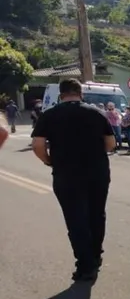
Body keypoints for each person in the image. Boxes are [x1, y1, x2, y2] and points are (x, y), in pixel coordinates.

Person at [31, 79, 116, 282]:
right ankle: (96, 256)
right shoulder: (97, 113)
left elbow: (37, 144)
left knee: (76, 219)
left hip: (66, 174)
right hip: (97, 172)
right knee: (97, 215)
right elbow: (111, 144)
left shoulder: (50, 115)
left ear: (61, 95)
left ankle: (86, 265)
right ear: (81, 93)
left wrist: (49, 161)